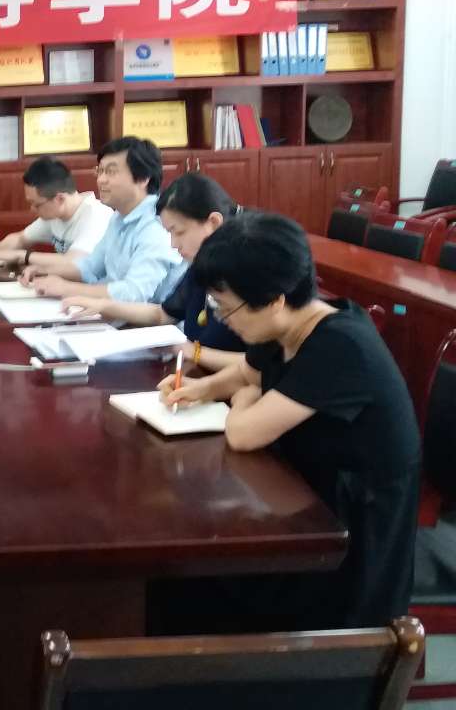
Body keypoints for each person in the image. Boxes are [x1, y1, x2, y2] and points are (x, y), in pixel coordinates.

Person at [154, 211, 419, 632]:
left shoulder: (341, 346)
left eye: (227, 308)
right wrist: (199, 389)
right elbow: (246, 373)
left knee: (179, 587)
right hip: (301, 502)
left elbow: (243, 433)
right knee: (179, 571)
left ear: (275, 300)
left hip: (342, 553)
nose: (223, 320)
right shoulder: (289, 326)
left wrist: (244, 400)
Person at [65, 172, 246, 372]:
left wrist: (195, 352)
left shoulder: (250, 267)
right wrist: (103, 306)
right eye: (169, 233)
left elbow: (263, 365)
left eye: (179, 232)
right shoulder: (202, 262)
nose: (173, 244)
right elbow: (163, 314)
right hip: (199, 374)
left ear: (213, 222)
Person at [20, 136, 183, 303]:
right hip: (111, 313)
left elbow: (134, 293)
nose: (101, 180)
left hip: (145, 318)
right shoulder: (119, 217)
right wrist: (47, 271)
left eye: (111, 172)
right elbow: (90, 266)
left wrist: (66, 288)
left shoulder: (158, 225)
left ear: (143, 178)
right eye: (100, 171)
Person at [0, 155, 112, 266]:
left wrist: (22, 256)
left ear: (59, 199)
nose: (32, 209)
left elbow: (74, 263)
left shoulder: (97, 216)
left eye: (36, 205)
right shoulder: (55, 215)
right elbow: (21, 238)